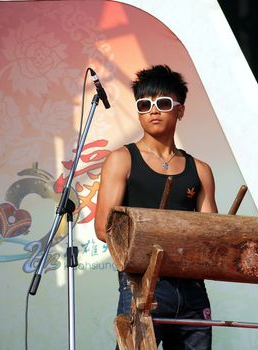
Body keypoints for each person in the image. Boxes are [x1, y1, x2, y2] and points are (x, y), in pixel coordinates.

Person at [94, 64, 218, 349]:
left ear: (180, 110)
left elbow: (212, 232)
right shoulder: (122, 160)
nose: (153, 110)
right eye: (144, 104)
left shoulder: (200, 170)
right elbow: (104, 228)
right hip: (141, 285)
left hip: (192, 290)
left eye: (162, 103)